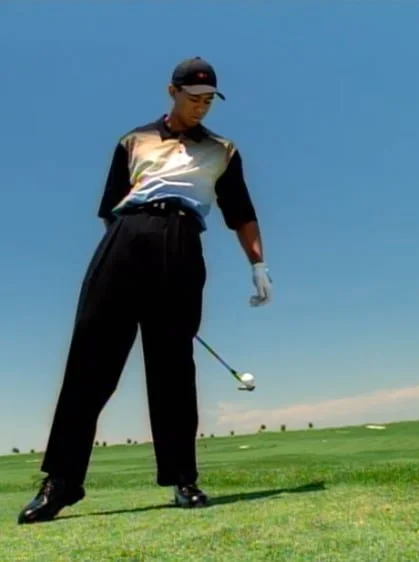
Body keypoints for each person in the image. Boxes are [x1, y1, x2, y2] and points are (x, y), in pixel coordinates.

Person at [17, 56, 272, 525]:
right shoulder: (133, 140)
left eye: (209, 100)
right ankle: (62, 481)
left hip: (182, 241)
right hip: (126, 237)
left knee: (172, 367)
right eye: (194, 98)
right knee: (89, 362)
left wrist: (258, 265)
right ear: (172, 92)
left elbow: (241, 212)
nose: (202, 106)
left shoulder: (223, 150)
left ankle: (182, 478)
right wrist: (128, 251)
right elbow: (110, 207)